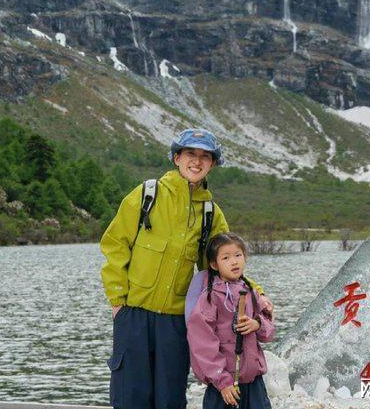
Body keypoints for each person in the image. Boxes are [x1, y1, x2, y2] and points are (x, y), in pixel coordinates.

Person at [100, 128, 270, 409]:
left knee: (170, 399)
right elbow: (115, 245)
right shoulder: (147, 195)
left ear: (212, 165)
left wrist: (258, 295)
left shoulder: (210, 214)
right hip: (133, 314)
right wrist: (118, 302)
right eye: (190, 153)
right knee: (130, 397)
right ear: (177, 157)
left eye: (205, 156)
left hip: (175, 322)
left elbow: (226, 265)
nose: (197, 161)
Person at [186, 232, 275, 409]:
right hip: (225, 386)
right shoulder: (210, 298)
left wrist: (257, 324)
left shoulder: (251, 291)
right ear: (214, 264)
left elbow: (269, 331)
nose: (234, 261)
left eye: (238, 255)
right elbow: (202, 344)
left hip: (253, 381)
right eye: (226, 258)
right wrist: (222, 380)